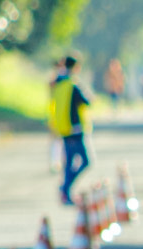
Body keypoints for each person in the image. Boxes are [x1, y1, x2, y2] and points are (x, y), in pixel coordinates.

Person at [49, 53, 92, 206]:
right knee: (85, 161)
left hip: (63, 128)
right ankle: (65, 187)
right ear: (75, 67)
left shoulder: (58, 83)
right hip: (75, 128)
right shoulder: (72, 84)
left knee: (68, 162)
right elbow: (86, 101)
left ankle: (66, 192)